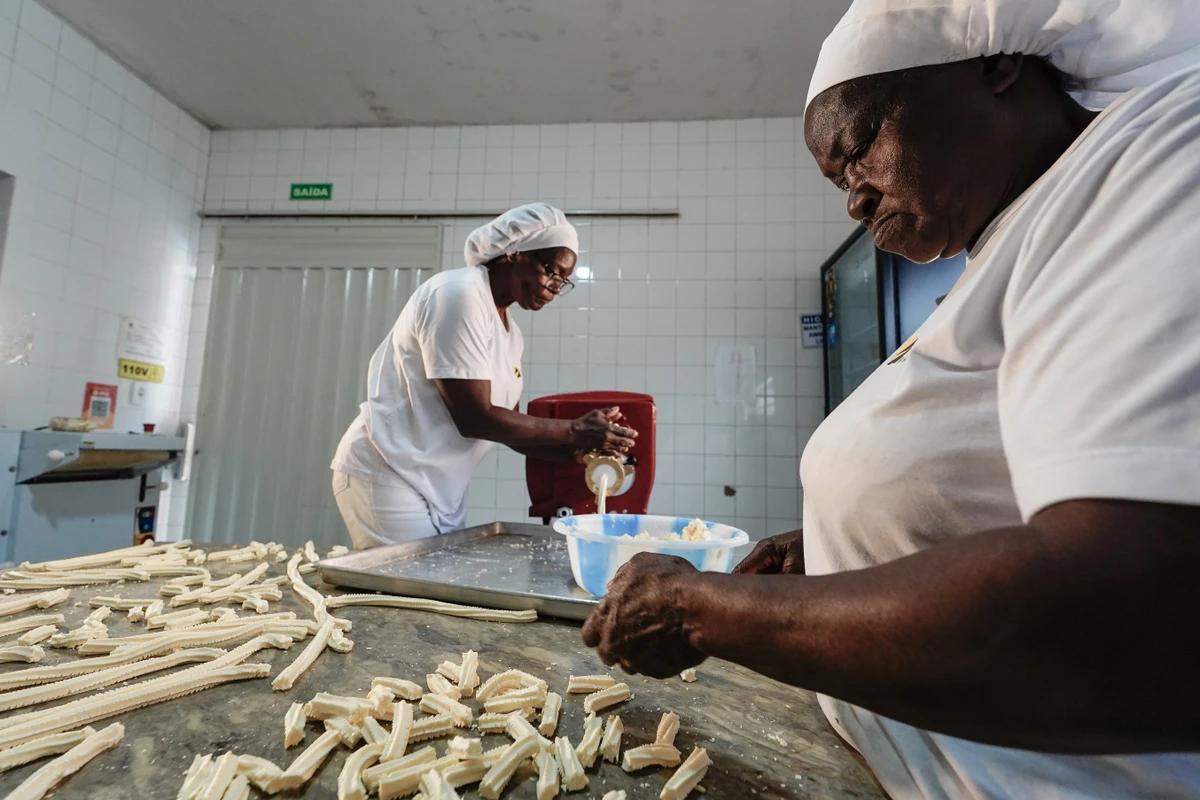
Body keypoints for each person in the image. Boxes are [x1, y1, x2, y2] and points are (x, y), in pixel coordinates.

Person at [581, 1, 1200, 797]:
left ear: (996, 64)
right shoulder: (1011, 241)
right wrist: (844, 537)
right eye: (840, 180)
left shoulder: (1153, 158)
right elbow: (999, 484)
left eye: (861, 147)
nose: (855, 198)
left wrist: (707, 610)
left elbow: (1142, 612)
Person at [332, 203, 636, 548]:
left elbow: (512, 429)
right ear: (514, 253)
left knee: (429, 584)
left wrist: (582, 449)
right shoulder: (458, 294)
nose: (554, 286)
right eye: (551, 270)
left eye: (563, 281)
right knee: (411, 591)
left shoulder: (510, 332)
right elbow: (476, 418)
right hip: (389, 471)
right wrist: (576, 429)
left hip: (436, 484)